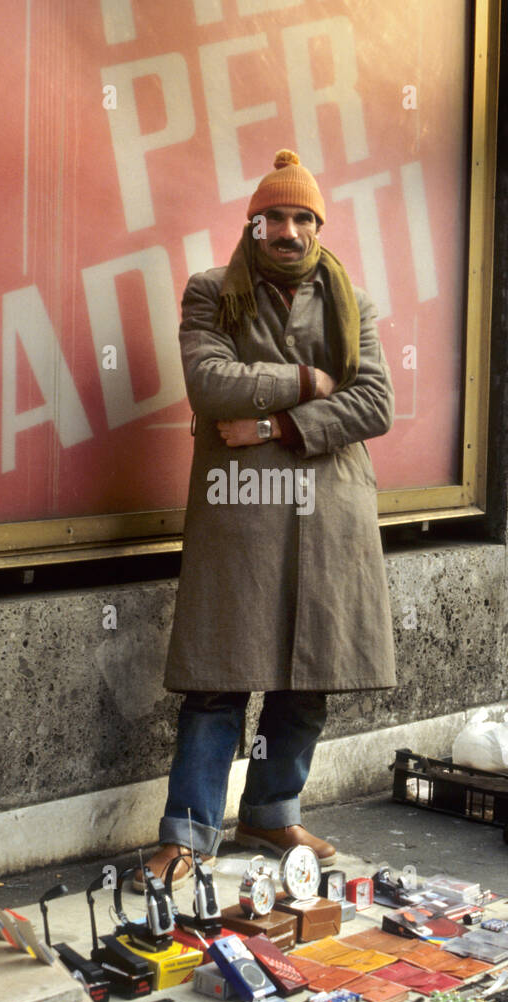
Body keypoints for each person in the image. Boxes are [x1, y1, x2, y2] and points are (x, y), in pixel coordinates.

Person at [137, 149, 396, 890]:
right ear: (253, 223)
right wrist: (311, 381)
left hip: (329, 513)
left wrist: (276, 426)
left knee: (307, 676)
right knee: (218, 678)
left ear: (318, 224)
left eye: (301, 217)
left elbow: (374, 404)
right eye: (274, 216)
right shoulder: (212, 292)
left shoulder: (355, 303)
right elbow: (210, 384)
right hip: (240, 515)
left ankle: (272, 810)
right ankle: (188, 832)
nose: (288, 229)